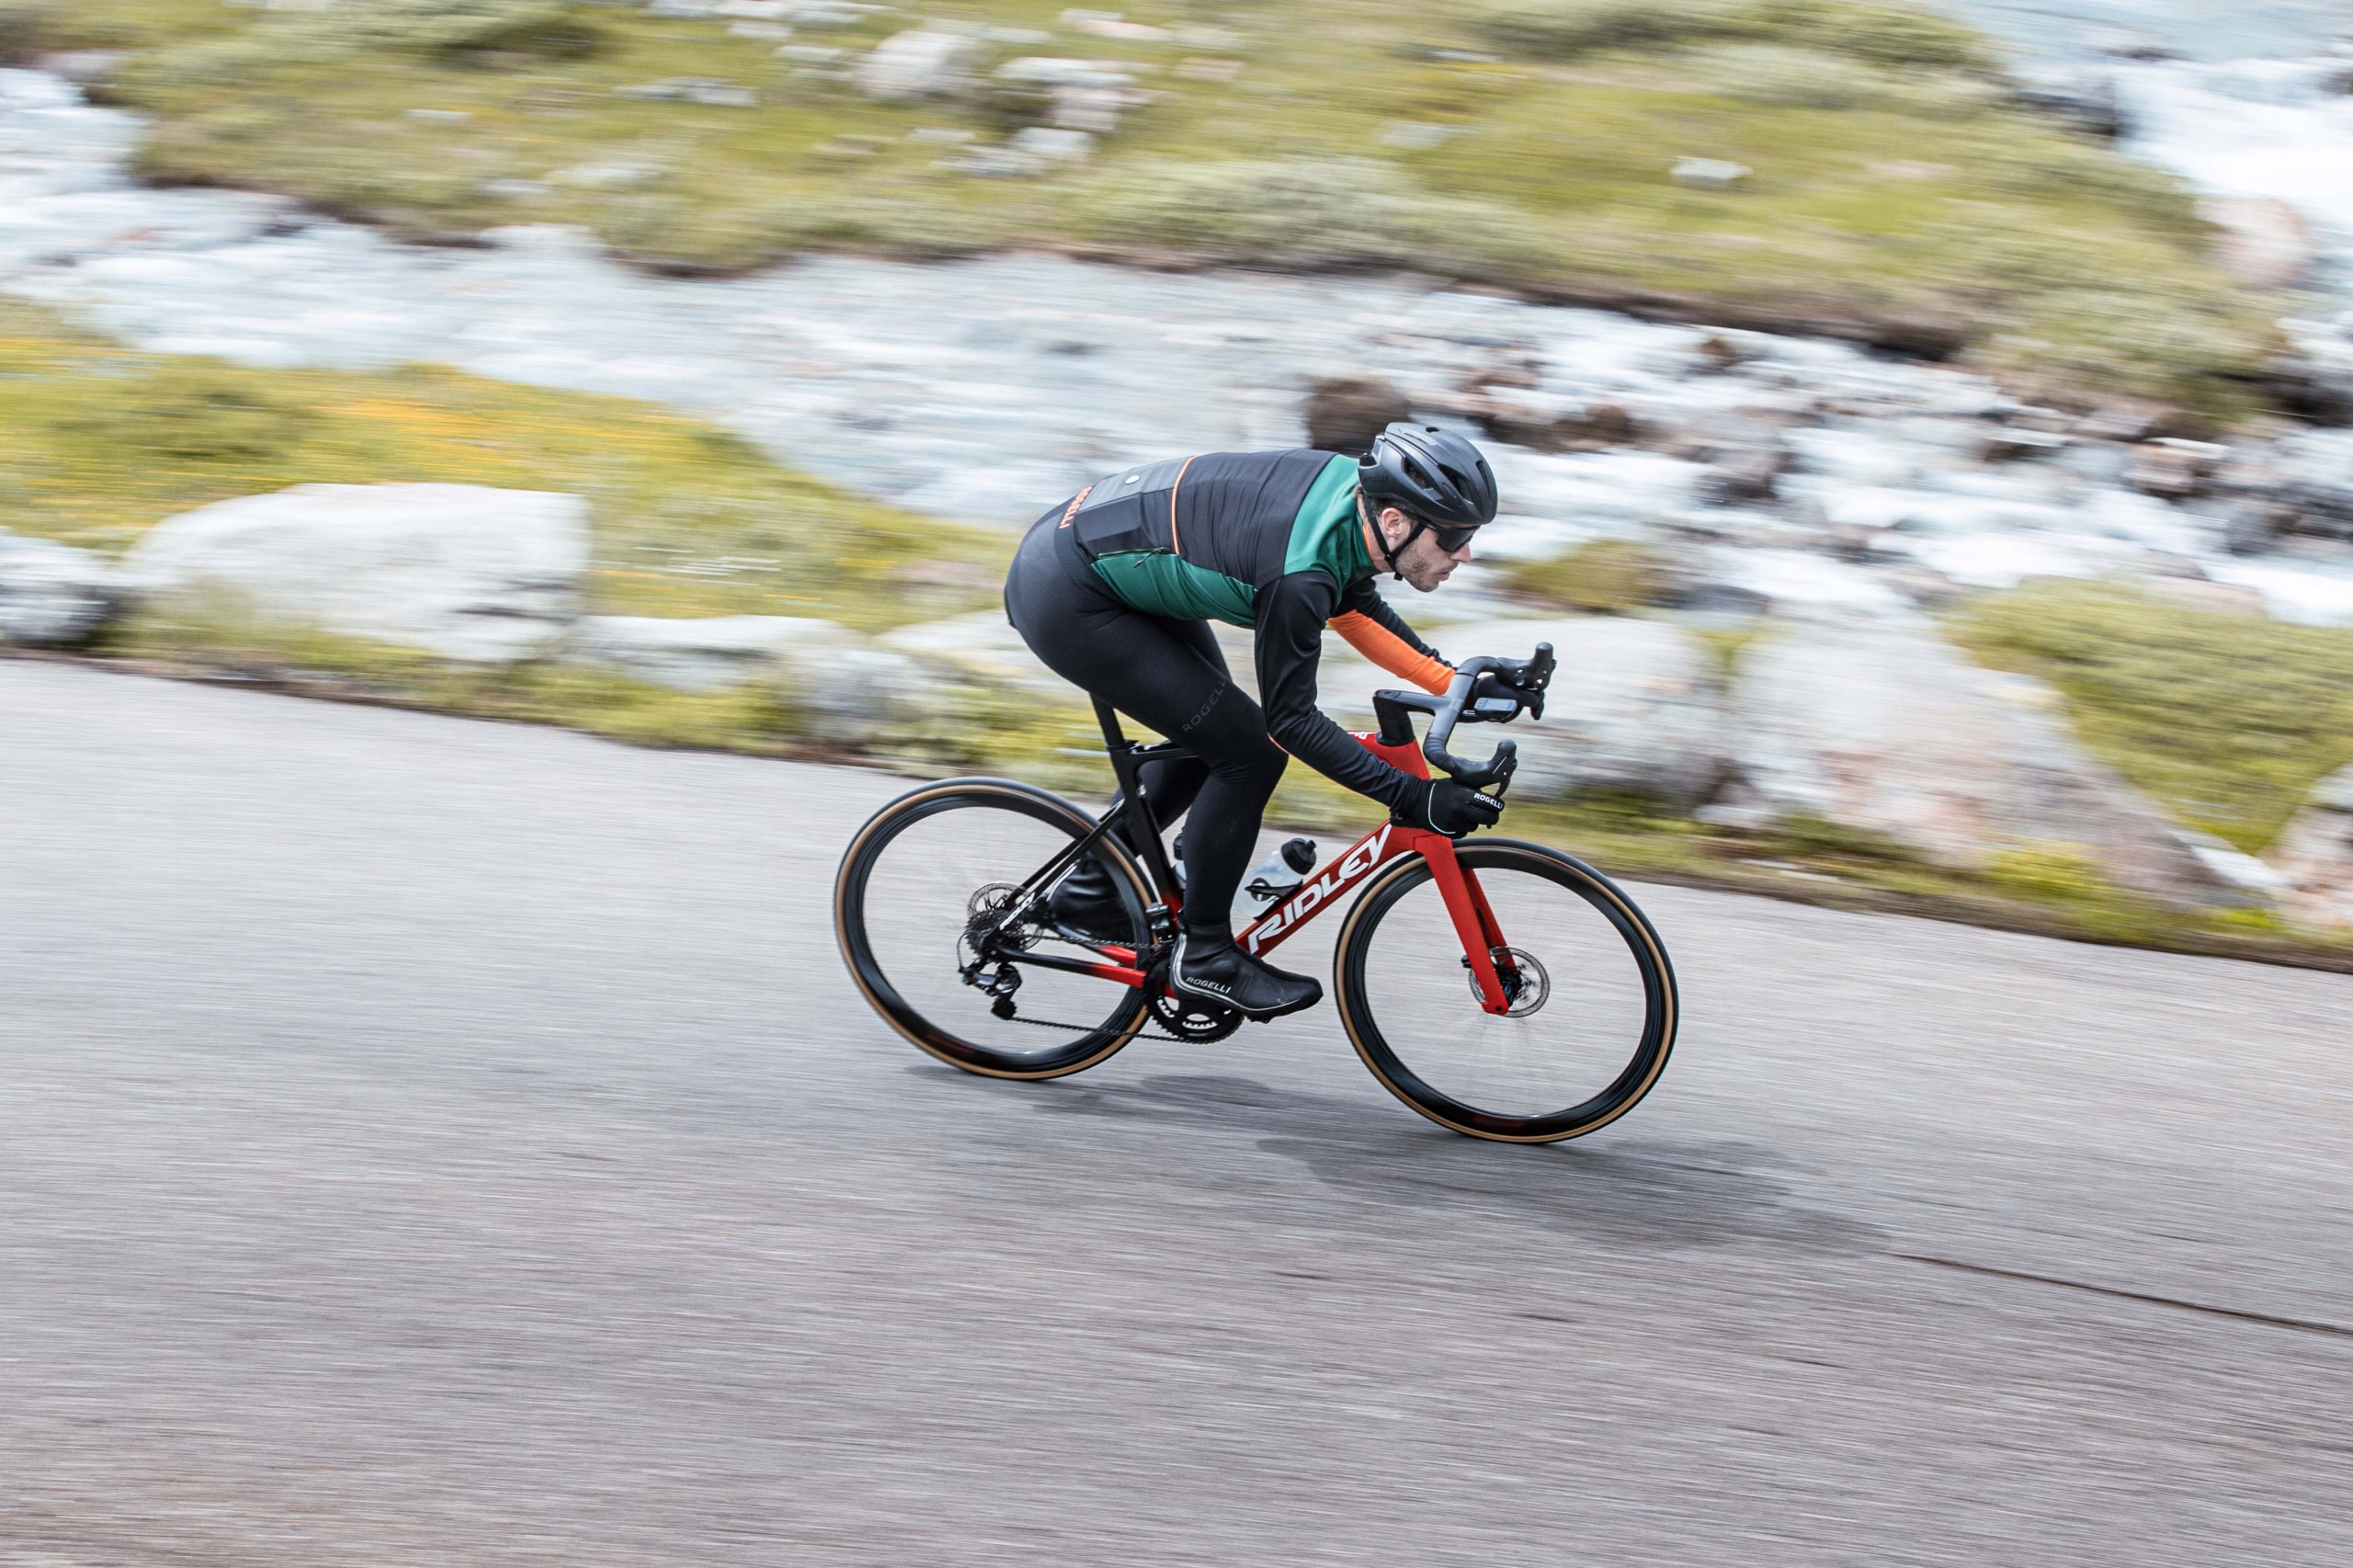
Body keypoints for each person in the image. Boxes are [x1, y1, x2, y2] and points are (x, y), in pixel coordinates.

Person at [1004, 423, 1521, 1020]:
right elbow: (1291, 721)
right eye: (1454, 536)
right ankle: (1204, 957)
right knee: (1249, 752)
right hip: (1069, 593)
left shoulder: (1354, 502)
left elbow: (1352, 603)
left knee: (1211, 735)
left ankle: (1089, 893)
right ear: (1396, 521)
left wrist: (1455, 684)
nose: (1465, 553)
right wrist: (1412, 796)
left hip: (1097, 556)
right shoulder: (1298, 574)